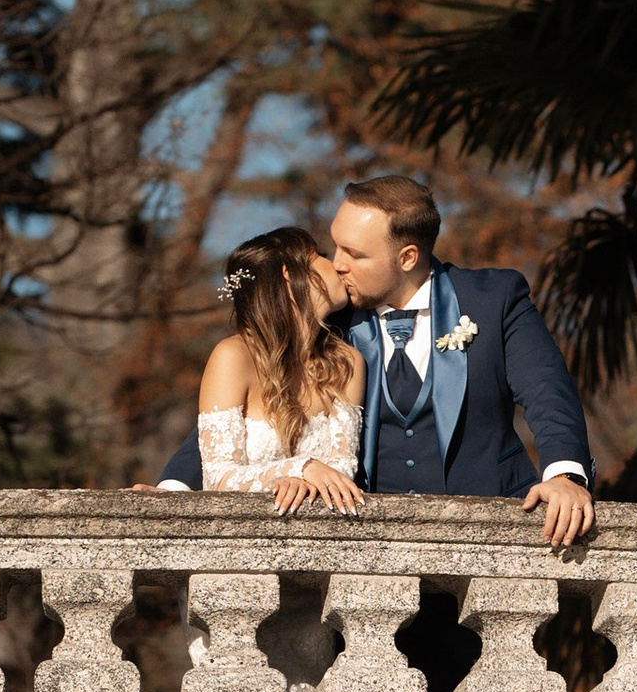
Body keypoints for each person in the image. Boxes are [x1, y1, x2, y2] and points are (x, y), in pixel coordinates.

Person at [158, 174, 596, 545]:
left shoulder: (492, 299)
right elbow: (251, 405)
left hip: (488, 531)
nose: (337, 264)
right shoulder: (329, 315)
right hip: (367, 542)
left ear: (406, 257)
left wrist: (565, 475)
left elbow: (547, 391)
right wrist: (172, 487)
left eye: (355, 254)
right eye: (335, 247)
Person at [152, 223, 367, 512]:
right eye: (321, 254)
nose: (337, 264)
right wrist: (297, 469)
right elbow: (217, 478)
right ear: (289, 275)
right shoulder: (234, 356)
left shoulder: (348, 363)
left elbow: (341, 473)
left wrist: (299, 479)